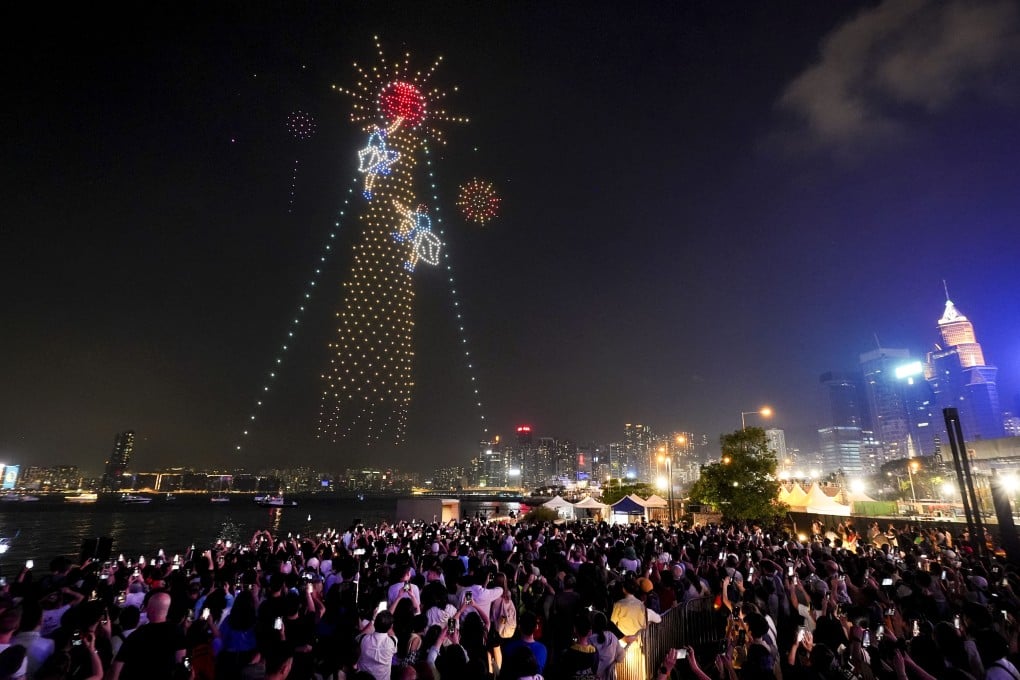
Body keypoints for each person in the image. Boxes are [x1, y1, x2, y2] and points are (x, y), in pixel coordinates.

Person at [108, 593, 186, 680]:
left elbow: (116, 669)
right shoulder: (177, 631)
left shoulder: (136, 635)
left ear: (151, 609)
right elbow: (181, 663)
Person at [357, 610, 397, 680]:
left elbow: (359, 636)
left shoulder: (362, 639)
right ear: (391, 626)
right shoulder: (392, 642)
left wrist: (373, 620)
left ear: (375, 624)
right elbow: (392, 633)